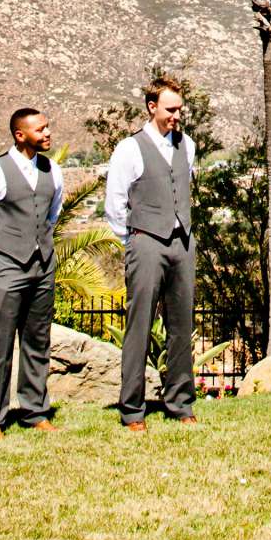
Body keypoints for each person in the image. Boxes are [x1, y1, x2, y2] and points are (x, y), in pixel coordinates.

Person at [0, 107, 65, 440]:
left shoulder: (54, 171)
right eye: (40, 129)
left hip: (42, 266)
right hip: (4, 267)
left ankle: (34, 410)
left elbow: (52, 215)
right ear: (20, 135)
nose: (48, 133)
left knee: (38, 341)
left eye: (47, 127)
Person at [104, 75, 197, 430]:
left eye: (180, 109)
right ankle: (132, 409)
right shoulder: (129, 149)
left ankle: (180, 403)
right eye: (171, 109)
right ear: (152, 107)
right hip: (145, 241)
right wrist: (135, 239)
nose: (177, 115)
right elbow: (115, 204)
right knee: (139, 325)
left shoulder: (187, 145)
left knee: (181, 325)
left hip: (182, 241)